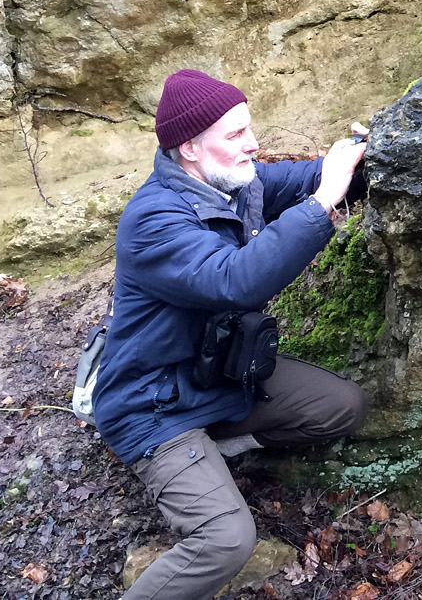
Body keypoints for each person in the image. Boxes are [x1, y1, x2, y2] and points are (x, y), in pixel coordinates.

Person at [93, 68, 371, 600]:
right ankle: (183, 470)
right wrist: (321, 205)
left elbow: (321, 174)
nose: (254, 144)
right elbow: (234, 282)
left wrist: (371, 153)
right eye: (236, 135)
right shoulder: (152, 221)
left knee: (343, 406)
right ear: (191, 149)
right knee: (226, 539)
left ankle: (220, 451)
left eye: (249, 128)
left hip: (221, 379)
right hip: (154, 406)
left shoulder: (241, 184)